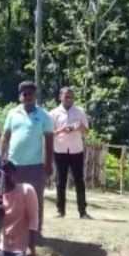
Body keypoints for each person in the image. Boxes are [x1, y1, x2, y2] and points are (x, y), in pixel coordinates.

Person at [0, 81, 54, 232]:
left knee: (35, 200)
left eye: (31, 93)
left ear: (35, 96)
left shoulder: (44, 116)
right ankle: (11, 228)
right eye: (25, 94)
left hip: (35, 166)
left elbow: (49, 142)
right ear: (20, 96)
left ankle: (35, 232)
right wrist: (0, 157)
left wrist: (48, 165)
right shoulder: (12, 113)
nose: (28, 96)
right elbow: (5, 137)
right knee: (11, 198)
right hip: (13, 166)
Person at [0, 161, 39, 256]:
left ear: (14, 174)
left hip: (22, 246)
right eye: (2, 173)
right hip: (4, 245)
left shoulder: (26, 191)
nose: (5, 177)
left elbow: (33, 219)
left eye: (8, 173)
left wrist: (31, 247)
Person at [49, 86, 91, 219]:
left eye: (71, 97)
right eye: (66, 96)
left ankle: (82, 211)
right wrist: (62, 130)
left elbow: (86, 132)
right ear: (60, 97)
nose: (69, 99)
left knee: (79, 180)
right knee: (60, 181)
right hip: (60, 149)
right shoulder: (53, 113)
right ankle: (60, 210)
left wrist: (80, 127)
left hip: (76, 149)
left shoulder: (80, 112)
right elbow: (50, 134)